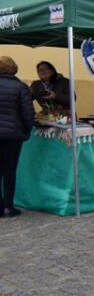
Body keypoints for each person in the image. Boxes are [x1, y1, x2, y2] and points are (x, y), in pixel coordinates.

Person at [0, 56, 35, 217]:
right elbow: (27, 113)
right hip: (13, 135)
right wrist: (27, 130)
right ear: (14, 68)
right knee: (9, 170)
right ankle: (8, 206)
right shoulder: (21, 87)